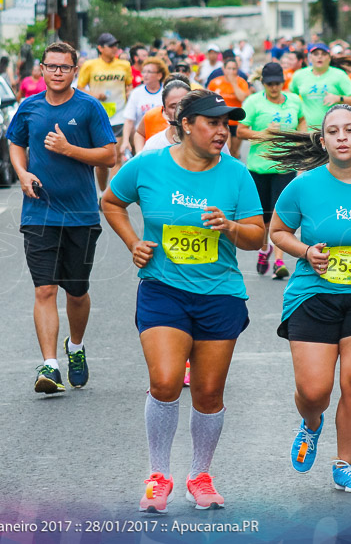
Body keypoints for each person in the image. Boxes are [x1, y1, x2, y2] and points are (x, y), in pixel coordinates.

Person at [101, 90, 264, 513]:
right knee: (167, 381)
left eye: (226, 124)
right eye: (212, 123)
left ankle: (200, 476)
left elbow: (256, 237)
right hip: (163, 290)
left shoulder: (237, 175)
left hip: (220, 294)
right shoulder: (148, 166)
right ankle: (158, 477)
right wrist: (134, 242)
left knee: (208, 393)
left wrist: (230, 226)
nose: (222, 131)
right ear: (185, 124)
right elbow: (112, 202)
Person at [263, 104, 351, 494]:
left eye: (349, 130)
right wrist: (306, 251)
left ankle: (345, 463)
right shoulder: (304, 185)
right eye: (333, 131)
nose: (342, 137)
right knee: (314, 392)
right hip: (314, 293)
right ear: (323, 141)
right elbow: (278, 232)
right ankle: (312, 424)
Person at [6, 41, 117, 394]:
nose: (56, 73)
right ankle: (50, 365)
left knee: (77, 291)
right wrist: (22, 173)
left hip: (81, 214)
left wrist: (69, 150)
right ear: (41, 69)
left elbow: (109, 155)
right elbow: (15, 142)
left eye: (63, 67)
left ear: (74, 70)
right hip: (39, 211)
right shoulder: (29, 107)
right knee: (45, 289)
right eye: (50, 66)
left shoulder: (88, 108)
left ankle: (76, 348)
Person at [237, 61, 306, 279]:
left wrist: (299, 138)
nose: (274, 88)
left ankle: (279, 261)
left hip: (285, 166)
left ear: (283, 82)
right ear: (263, 83)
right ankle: (264, 248)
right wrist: (264, 133)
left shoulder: (294, 101)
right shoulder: (253, 102)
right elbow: (240, 131)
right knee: (264, 218)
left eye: (277, 83)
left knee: (280, 215)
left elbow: (302, 120)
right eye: (269, 84)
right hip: (259, 167)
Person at [78, 32, 133, 190]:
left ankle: (111, 194)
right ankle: (102, 191)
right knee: (101, 162)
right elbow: (80, 89)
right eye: (111, 45)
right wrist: (95, 95)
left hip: (119, 114)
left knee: (115, 157)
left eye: (116, 45)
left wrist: (129, 92)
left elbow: (128, 85)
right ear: (100, 48)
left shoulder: (124, 65)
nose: (115, 48)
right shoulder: (90, 65)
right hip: (98, 116)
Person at [289, 42, 351, 129]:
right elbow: (290, 98)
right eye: (316, 54)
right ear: (310, 58)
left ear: (329, 58)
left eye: (323, 54)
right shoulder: (299, 75)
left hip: (332, 132)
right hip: (306, 133)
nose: (320, 57)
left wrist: (338, 98)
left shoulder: (339, 75)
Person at [123, 57, 168, 159]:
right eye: (144, 72)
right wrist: (125, 141)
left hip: (163, 141)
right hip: (142, 139)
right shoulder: (136, 93)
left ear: (159, 75)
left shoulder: (166, 92)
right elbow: (129, 120)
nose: (145, 75)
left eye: (149, 72)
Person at [207, 58, 251, 158]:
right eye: (229, 68)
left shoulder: (241, 82)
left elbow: (242, 97)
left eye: (234, 69)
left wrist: (234, 83)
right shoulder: (215, 82)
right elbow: (208, 98)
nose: (231, 71)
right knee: (226, 149)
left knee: (234, 152)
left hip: (235, 121)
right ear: (224, 69)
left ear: (237, 70)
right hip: (221, 121)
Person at [140, 79, 191, 153]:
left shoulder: (203, 142)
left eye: (185, 105)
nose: (180, 110)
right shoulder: (154, 146)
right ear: (165, 111)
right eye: (173, 107)